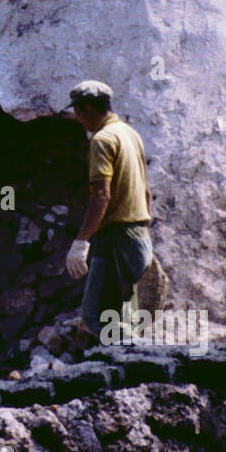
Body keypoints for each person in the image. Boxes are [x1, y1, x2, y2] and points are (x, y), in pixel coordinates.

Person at [63, 80, 153, 350]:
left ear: (87, 108)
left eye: (77, 112)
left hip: (115, 238)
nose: (78, 119)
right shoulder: (129, 134)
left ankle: (123, 369)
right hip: (136, 234)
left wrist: (81, 241)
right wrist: (144, 228)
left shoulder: (102, 141)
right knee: (123, 318)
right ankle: (135, 375)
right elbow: (146, 190)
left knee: (96, 316)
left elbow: (101, 195)